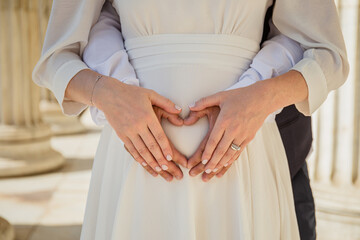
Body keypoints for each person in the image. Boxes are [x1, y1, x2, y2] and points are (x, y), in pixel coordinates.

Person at [32, 0, 348, 239]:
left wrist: (262, 96)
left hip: (246, 162)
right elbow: (57, 57)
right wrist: (106, 93)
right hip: (133, 167)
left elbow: (326, 52)